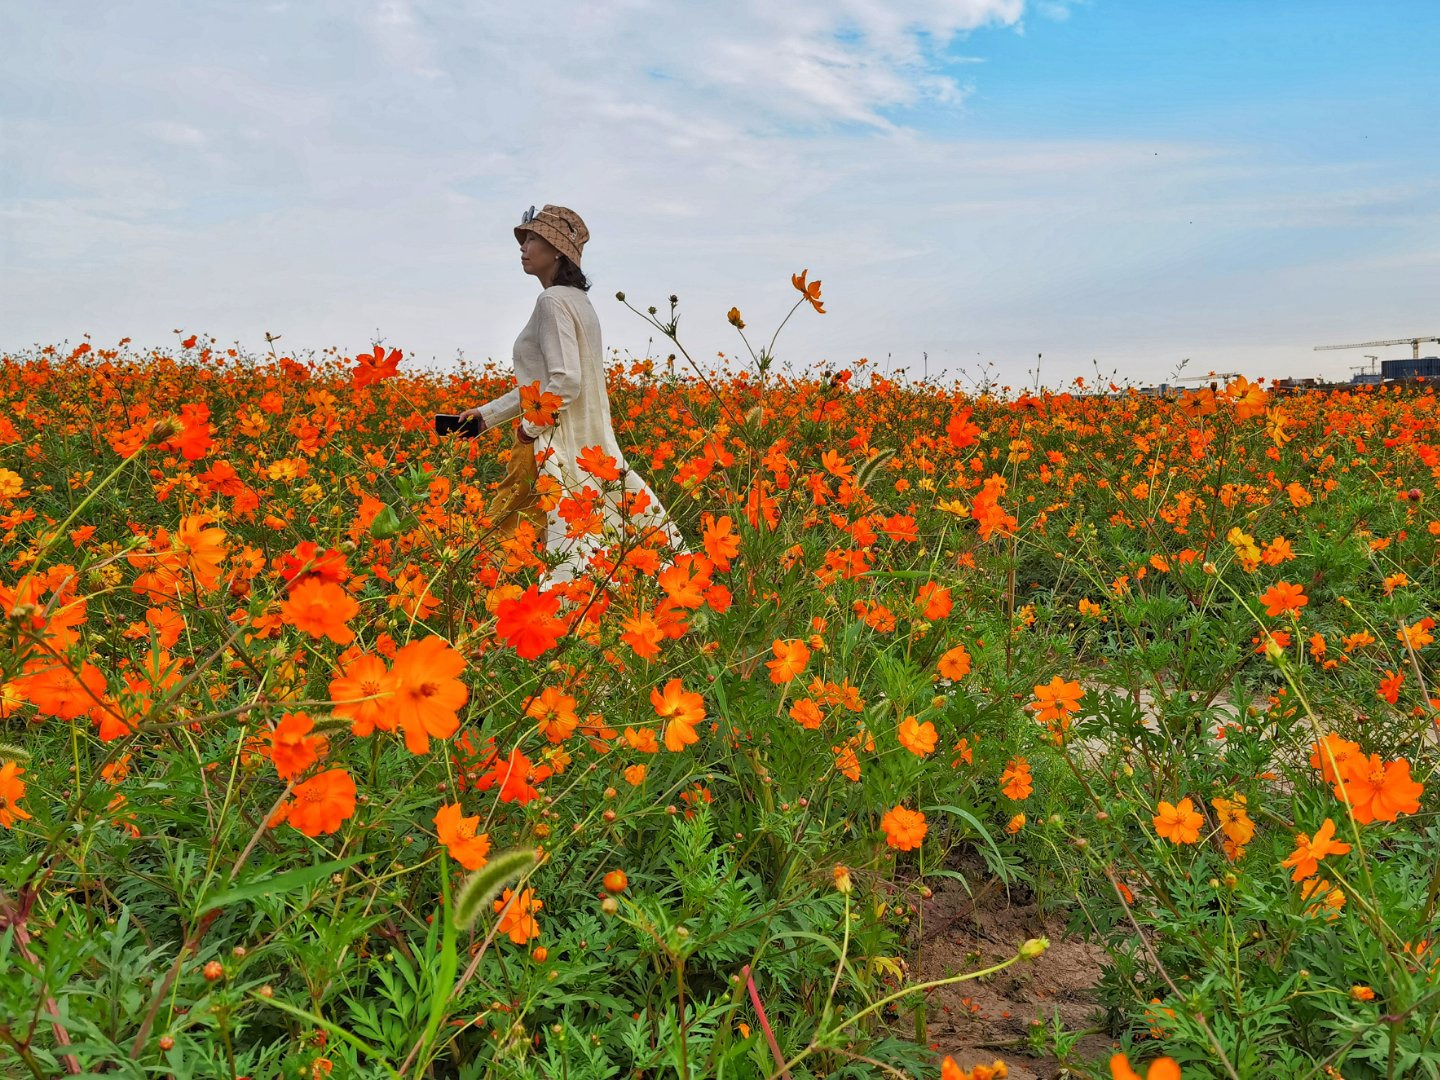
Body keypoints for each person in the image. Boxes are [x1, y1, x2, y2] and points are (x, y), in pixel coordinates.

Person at [458, 204, 689, 587]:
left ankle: (568, 611)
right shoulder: (579, 302)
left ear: (557, 251)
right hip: (590, 440)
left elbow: (565, 382)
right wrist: (486, 415)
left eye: (533, 239)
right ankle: (669, 581)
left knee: (568, 536)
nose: (524, 246)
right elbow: (543, 384)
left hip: (560, 438)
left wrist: (529, 430)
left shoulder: (551, 302)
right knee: (608, 523)